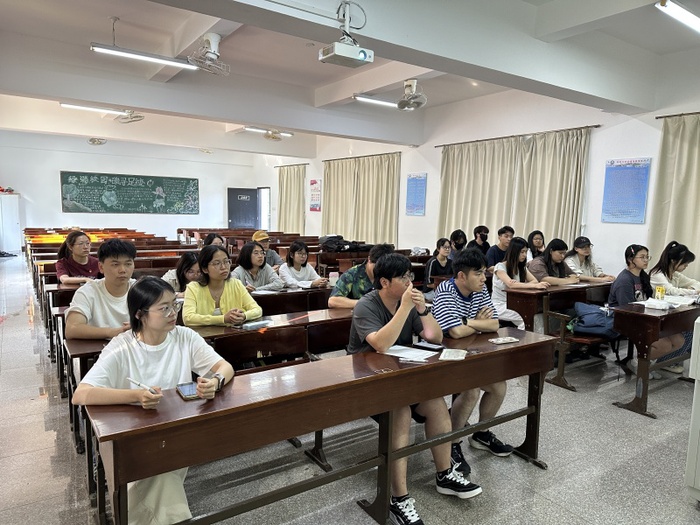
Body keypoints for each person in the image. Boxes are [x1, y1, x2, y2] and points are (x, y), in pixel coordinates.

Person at [72, 277, 234, 525]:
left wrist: (216, 382)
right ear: (140, 314)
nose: (173, 313)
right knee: (161, 474)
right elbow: (81, 393)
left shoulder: (184, 337)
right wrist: (136, 396)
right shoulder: (122, 346)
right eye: (164, 308)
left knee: (160, 471)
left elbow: (225, 367)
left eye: (175, 305)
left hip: (176, 430)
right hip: (135, 434)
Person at [347, 253, 482, 525]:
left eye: (410, 275)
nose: (410, 282)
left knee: (436, 404)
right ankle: (398, 499)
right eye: (403, 277)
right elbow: (380, 344)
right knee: (401, 412)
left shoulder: (408, 302)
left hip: (401, 376)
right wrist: (405, 308)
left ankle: (444, 473)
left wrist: (422, 310)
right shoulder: (366, 305)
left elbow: (435, 336)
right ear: (385, 282)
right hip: (368, 382)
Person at [432, 248, 513, 477]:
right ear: (461, 276)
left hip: (470, 355)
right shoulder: (446, 290)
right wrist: (477, 323)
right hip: (442, 358)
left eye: (483, 272)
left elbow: (494, 324)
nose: (483, 278)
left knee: (499, 386)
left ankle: (481, 434)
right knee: (471, 390)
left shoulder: (480, 290)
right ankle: (451, 443)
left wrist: (468, 321)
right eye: (477, 273)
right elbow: (454, 332)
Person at [608, 244, 685, 378]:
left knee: (679, 341)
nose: (646, 260)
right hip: (627, 320)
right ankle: (637, 363)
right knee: (665, 345)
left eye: (647, 257)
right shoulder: (624, 280)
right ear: (630, 259)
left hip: (645, 317)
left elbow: (647, 300)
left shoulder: (643, 276)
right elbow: (627, 309)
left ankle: (646, 364)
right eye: (642, 257)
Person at [65, 239, 137, 339]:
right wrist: (112, 332)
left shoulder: (141, 289)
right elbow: (72, 329)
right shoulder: (87, 292)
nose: (123, 270)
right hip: (100, 347)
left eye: (128, 264)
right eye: (115, 264)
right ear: (101, 267)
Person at [183, 245, 262, 326]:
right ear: (205, 269)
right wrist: (223, 319)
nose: (224, 267)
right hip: (202, 334)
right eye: (217, 263)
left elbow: (257, 310)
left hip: (231, 332)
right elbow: (188, 318)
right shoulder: (193, 288)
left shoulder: (236, 284)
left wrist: (244, 316)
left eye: (226, 262)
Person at [492, 237, 550, 329]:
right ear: (514, 252)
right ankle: (522, 338)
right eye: (522, 252)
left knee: (534, 315)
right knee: (524, 318)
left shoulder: (521, 268)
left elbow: (534, 281)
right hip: (500, 304)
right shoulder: (500, 267)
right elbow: (511, 284)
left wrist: (520, 284)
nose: (524, 255)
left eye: (526, 252)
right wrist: (533, 286)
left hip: (516, 303)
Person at [328, 243, 394, 309]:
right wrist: (366, 303)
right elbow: (333, 301)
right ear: (369, 259)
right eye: (377, 267)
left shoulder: (391, 274)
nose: (380, 271)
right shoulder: (352, 274)